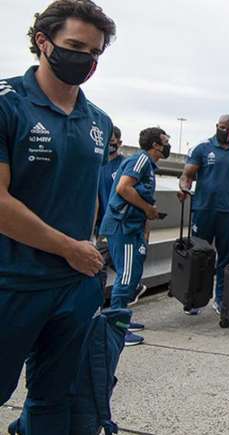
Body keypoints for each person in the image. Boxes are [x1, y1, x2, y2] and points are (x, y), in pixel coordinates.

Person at [0, 1, 115, 433]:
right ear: (42, 42)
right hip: (12, 281)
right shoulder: (7, 105)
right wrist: (71, 249)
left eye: (95, 52)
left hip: (73, 287)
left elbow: (90, 196)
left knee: (55, 400)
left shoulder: (98, 121)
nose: (85, 59)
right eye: (75, 46)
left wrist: (88, 256)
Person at [178, 115, 229, 315]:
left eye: (228, 128)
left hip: (228, 212)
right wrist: (183, 188)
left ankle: (221, 298)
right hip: (203, 210)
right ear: (216, 126)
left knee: (225, 258)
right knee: (199, 256)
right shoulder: (202, 148)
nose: (223, 131)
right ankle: (194, 299)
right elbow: (187, 175)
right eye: (221, 127)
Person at [99, 127, 170, 346]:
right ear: (155, 145)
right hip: (123, 228)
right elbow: (123, 188)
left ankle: (123, 319)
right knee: (127, 276)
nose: (168, 145)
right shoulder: (140, 161)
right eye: (165, 141)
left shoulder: (147, 165)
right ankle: (117, 328)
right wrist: (147, 209)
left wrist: (149, 212)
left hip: (132, 227)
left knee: (132, 273)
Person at [96, 125, 124, 233]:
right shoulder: (96, 164)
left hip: (119, 225)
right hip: (100, 224)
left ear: (119, 143)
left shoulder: (125, 165)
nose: (108, 144)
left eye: (111, 140)